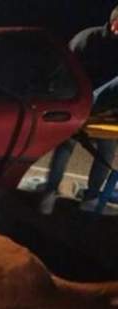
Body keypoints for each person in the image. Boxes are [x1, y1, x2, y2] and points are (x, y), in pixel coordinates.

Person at [40, 6, 118, 215]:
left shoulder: (85, 36)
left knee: (67, 148)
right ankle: (90, 198)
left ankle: (49, 193)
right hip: (91, 107)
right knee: (105, 150)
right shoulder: (91, 40)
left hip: (76, 102)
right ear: (116, 25)